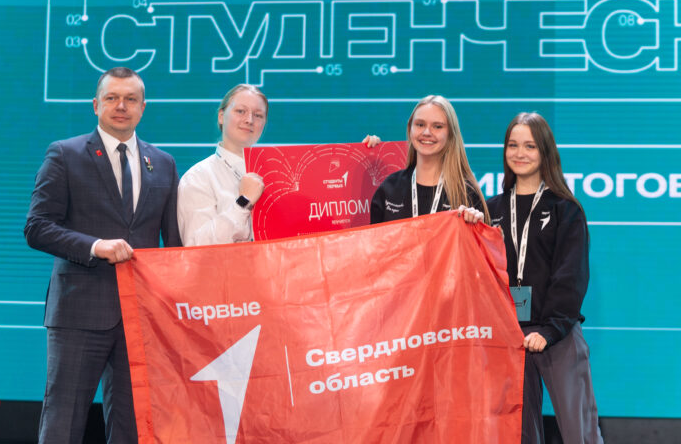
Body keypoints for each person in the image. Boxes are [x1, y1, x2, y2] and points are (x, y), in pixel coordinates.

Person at [24, 67, 182, 443]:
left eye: (130, 99)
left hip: (140, 319)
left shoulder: (163, 163)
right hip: (78, 313)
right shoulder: (65, 154)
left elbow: (175, 246)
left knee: (131, 428)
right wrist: (96, 247)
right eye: (112, 98)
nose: (121, 106)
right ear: (96, 105)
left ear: (143, 107)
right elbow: (37, 227)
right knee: (62, 424)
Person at [486, 112, 603, 444]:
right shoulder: (491, 209)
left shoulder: (565, 209)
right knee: (518, 434)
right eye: (513, 145)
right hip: (509, 336)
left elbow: (571, 275)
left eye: (530, 146)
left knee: (580, 432)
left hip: (557, 333)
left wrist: (550, 329)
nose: (520, 153)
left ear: (545, 152)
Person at [178, 83, 380, 246]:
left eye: (258, 115)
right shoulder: (199, 177)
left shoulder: (283, 175)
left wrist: (365, 159)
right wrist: (243, 202)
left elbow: (328, 215)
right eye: (240, 111)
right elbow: (196, 247)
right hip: (225, 284)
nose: (249, 120)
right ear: (221, 116)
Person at [370, 94, 488, 224]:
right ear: (410, 129)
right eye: (420, 124)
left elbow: (486, 236)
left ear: (450, 134)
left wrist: (478, 227)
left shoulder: (466, 194)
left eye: (437, 126)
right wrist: (364, 153)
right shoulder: (390, 188)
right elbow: (366, 235)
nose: (427, 132)